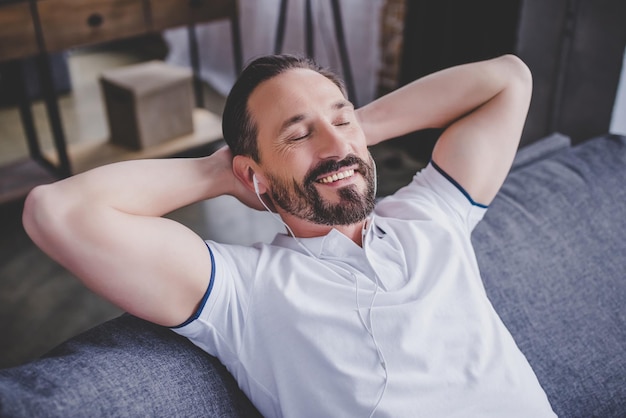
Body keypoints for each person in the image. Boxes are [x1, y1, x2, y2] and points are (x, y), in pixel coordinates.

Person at [22, 53, 556, 417]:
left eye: (342, 121)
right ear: (253, 174)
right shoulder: (244, 290)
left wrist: (346, 132)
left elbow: (510, 78)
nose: (333, 144)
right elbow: (56, 210)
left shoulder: (433, 217)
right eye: (297, 134)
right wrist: (222, 173)